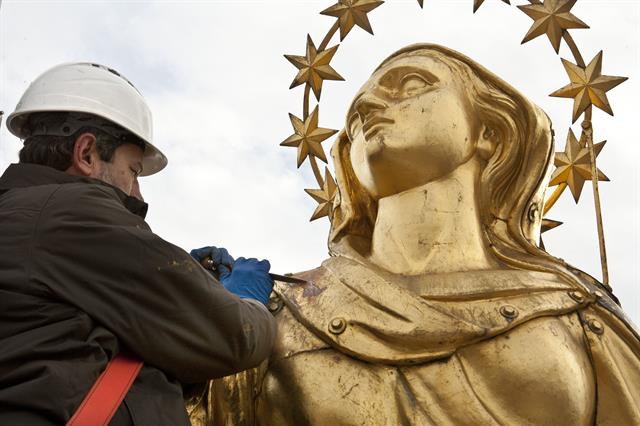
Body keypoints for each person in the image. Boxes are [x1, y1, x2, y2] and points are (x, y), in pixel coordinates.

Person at [199, 44, 640, 425]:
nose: (369, 109)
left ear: (488, 132)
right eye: (353, 119)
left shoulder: (574, 312)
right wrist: (202, 333)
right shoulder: (283, 314)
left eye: (411, 86)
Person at [0, 62, 277, 425]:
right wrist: (246, 301)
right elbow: (232, 336)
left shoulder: (29, 218)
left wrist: (191, 284)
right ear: (86, 154)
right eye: (133, 170)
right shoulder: (72, 212)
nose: (137, 191)